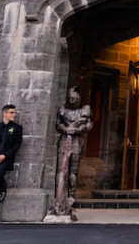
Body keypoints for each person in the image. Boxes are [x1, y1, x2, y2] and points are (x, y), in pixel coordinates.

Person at [51, 87, 93, 218]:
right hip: (64, 141)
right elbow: (58, 124)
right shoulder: (63, 110)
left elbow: (88, 125)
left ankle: (71, 195)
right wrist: (65, 128)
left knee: (73, 171)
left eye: (75, 99)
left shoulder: (84, 110)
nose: (73, 101)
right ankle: (59, 197)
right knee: (62, 170)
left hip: (76, 143)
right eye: (71, 99)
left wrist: (78, 129)